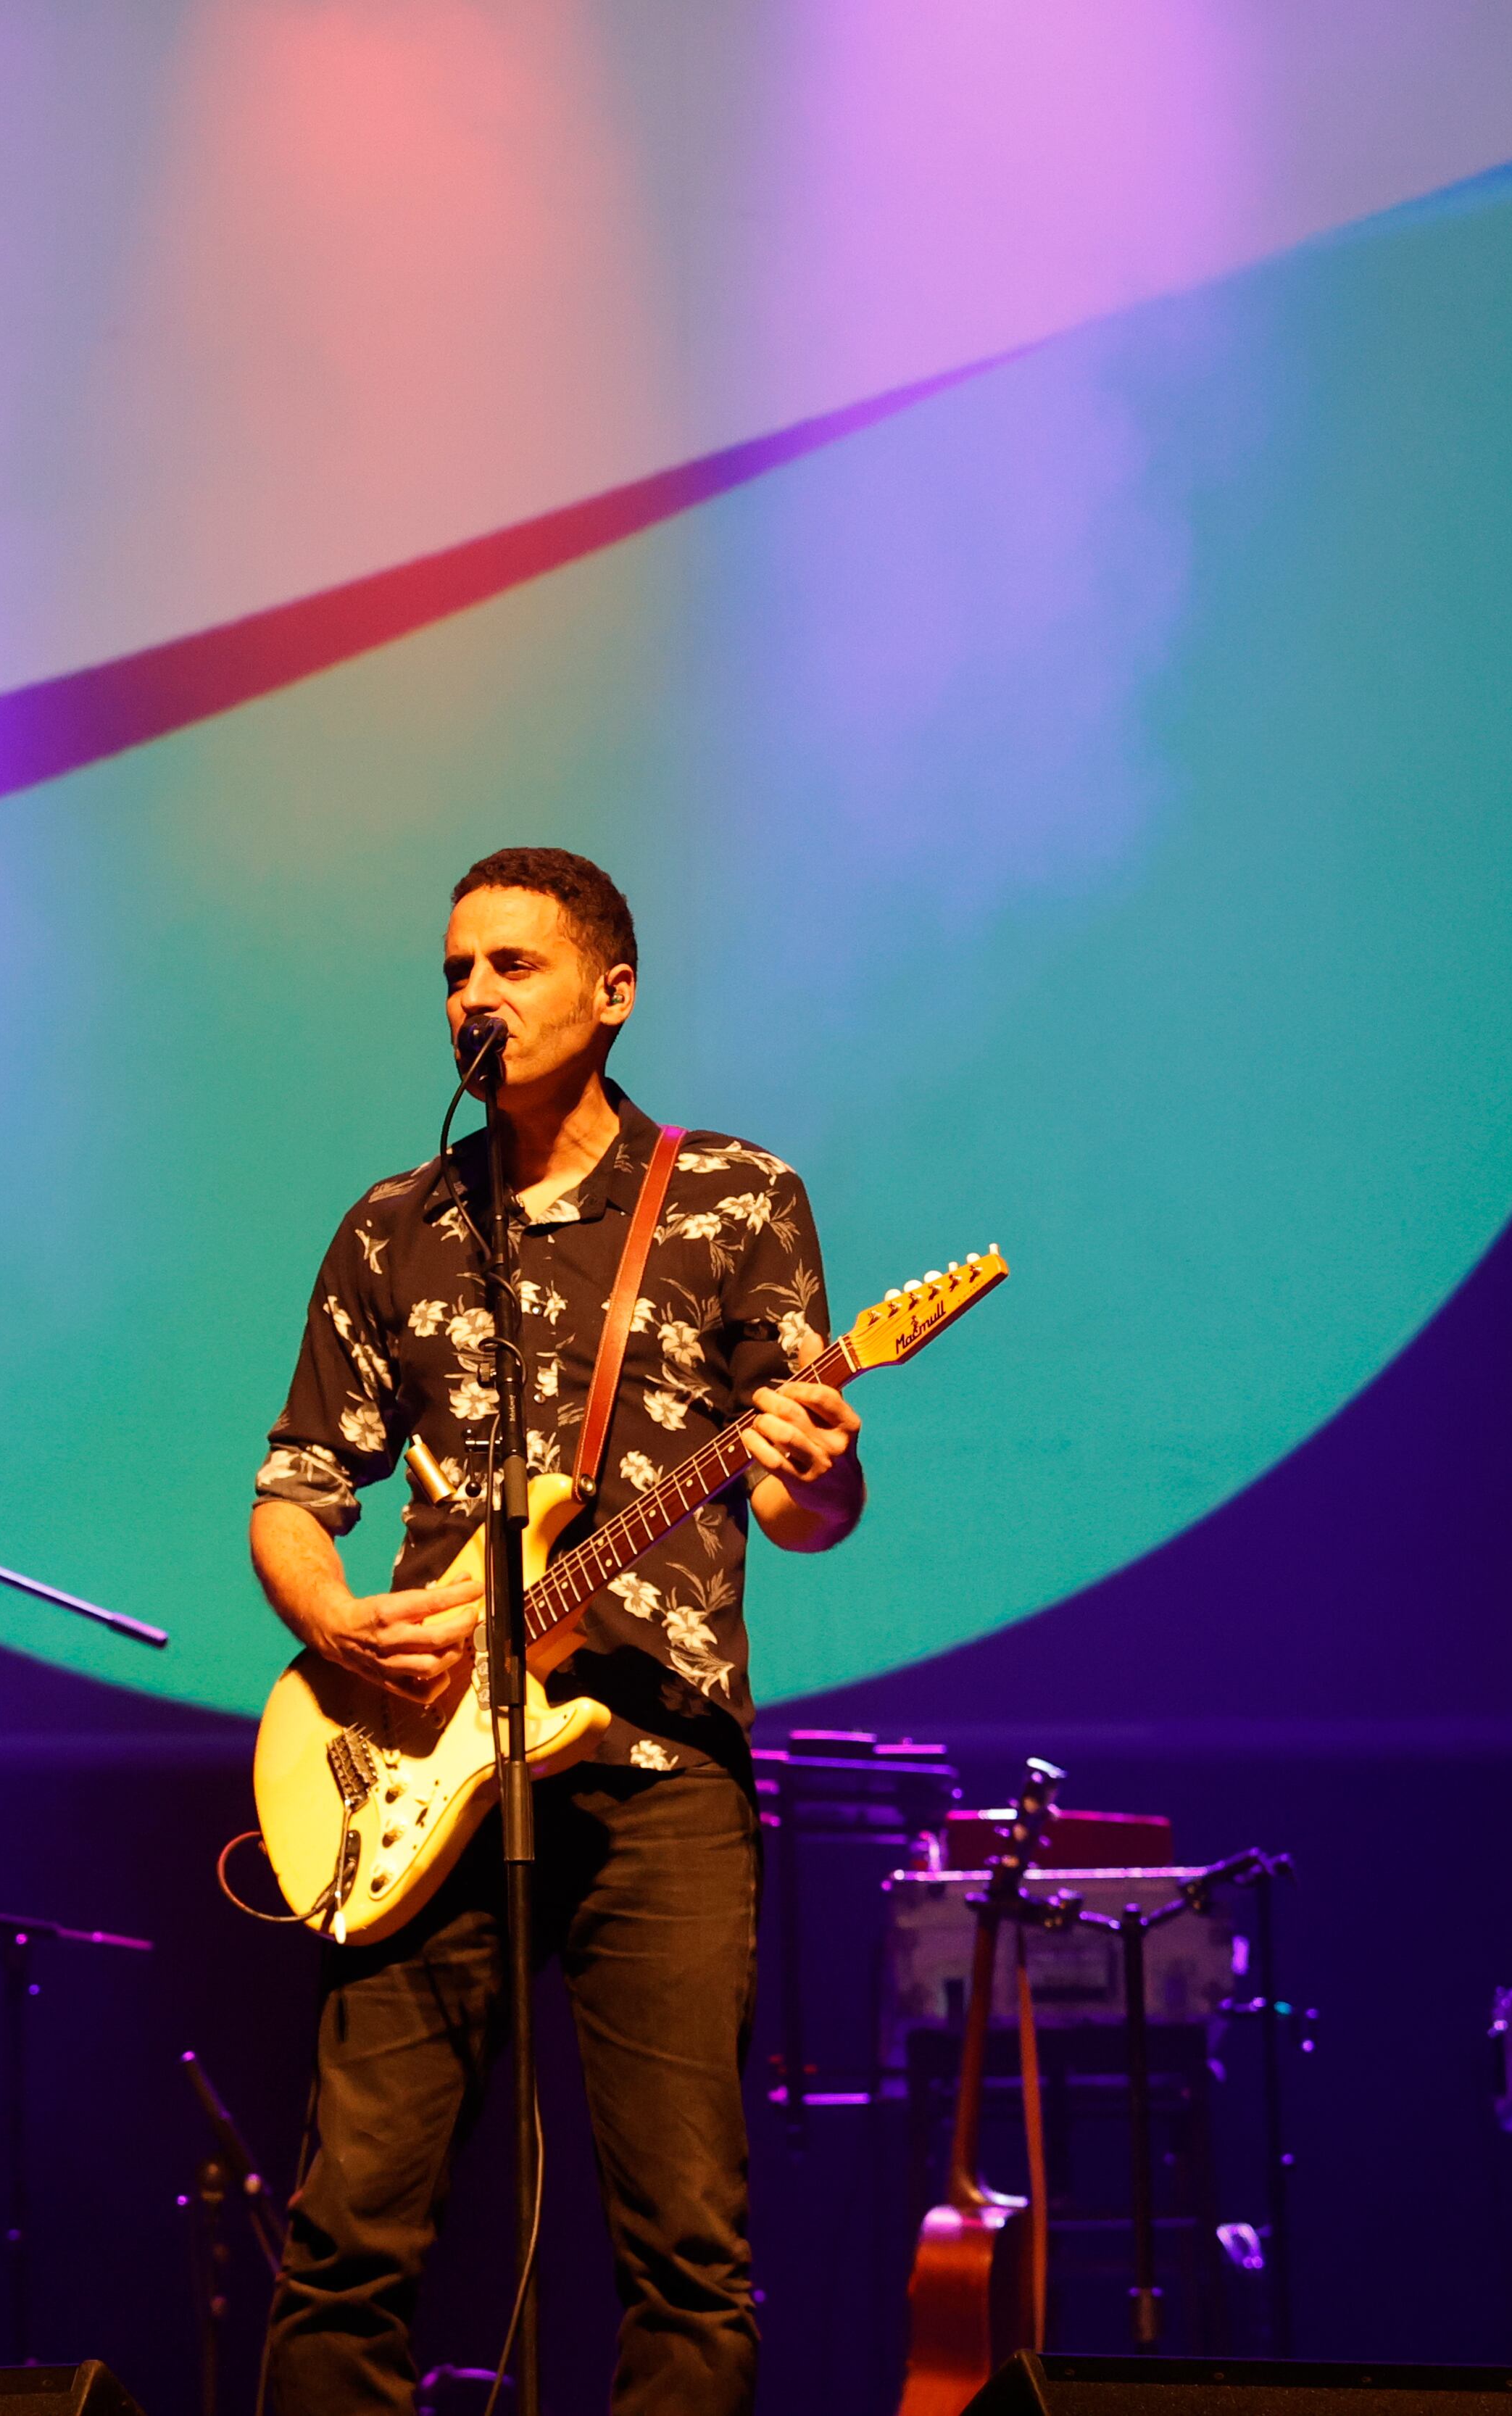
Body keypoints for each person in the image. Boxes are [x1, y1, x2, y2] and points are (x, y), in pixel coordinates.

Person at [249, 847, 865, 2415]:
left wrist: (817, 1464)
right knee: (344, 2234)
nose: (473, 996)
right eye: (455, 970)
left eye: (511, 966)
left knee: (685, 2249)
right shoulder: (396, 1224)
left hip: (660, 1769)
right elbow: (294, 1489)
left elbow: (804, 1511)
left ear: (612, 990)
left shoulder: (734, 1196)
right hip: (426, 1768)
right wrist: (338, 1620)